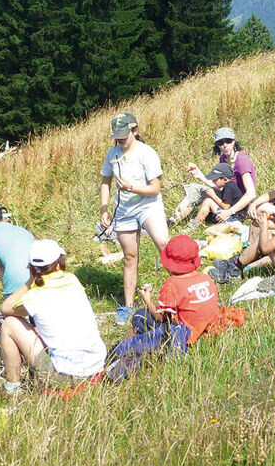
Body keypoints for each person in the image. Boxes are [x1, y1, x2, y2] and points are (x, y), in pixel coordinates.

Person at [0, 239, 107, 394]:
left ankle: (13, 388)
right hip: (96, 365)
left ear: (31, 267)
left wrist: (30, 281)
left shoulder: (35, 296)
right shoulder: (72, 280)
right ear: (58, 263)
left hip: (65, 377)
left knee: (9, 324)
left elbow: (5, 308)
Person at [99, 112, 170, 325]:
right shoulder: (112, 153)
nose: (120, 139)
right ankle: (128, 306)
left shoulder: (147, 153)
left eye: (123, 135)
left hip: (148, 205)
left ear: (135, 130)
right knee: (130, 256)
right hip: (124, 211)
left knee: (163, 244)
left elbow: (156, 188)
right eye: (116, 136)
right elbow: (105, 181)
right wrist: (104, 209)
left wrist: (132, 187)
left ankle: (179, 290)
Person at [124, 235, 221, 349]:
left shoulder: (172, 284)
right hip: (211, 328)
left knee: (140, 315)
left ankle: (125, 350)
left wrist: (148, 300)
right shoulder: (206, 278)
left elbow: (160, 317)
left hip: (186, 334)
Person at [0, 203, 35, 299]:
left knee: (7, 308)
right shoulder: (25, 231)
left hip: (16, 284)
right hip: (37, 280)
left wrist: (8, 292)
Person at [168, 162, 245, 229]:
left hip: (233, 219)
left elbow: (226, 206)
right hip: (230, 217)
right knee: (208, 199)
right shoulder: (228, 185)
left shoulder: (229, 186)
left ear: (224, 179)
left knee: (208, 201)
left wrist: (213, 195)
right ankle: (195, 221)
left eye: (215, 179)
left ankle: (194, 225)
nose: (213, 181)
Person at [212, 127, 257, 222]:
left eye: (228, 141)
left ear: (233, 142)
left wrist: (230, 212)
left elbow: (251, 193)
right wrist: (200, 176)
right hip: (229, 196)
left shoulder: (241, 161)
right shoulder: (223, 158)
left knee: (208, 200)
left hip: (241, 203)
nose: (225, 145)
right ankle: (176, 220)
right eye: (221, 143)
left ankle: (194, 224)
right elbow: (221, 185)